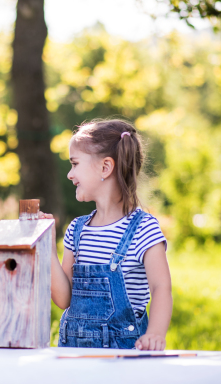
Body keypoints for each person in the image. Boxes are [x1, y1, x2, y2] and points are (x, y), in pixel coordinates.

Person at [45, 118, 172, 350]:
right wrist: (47, 249)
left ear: (105, 167)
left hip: (123, 361)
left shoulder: (143, 229)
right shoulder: (76, 230)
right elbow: (63, 300)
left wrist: (155, 334)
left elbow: (161, 287)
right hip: (75, 357)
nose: (69, 174)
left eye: (75, 164)